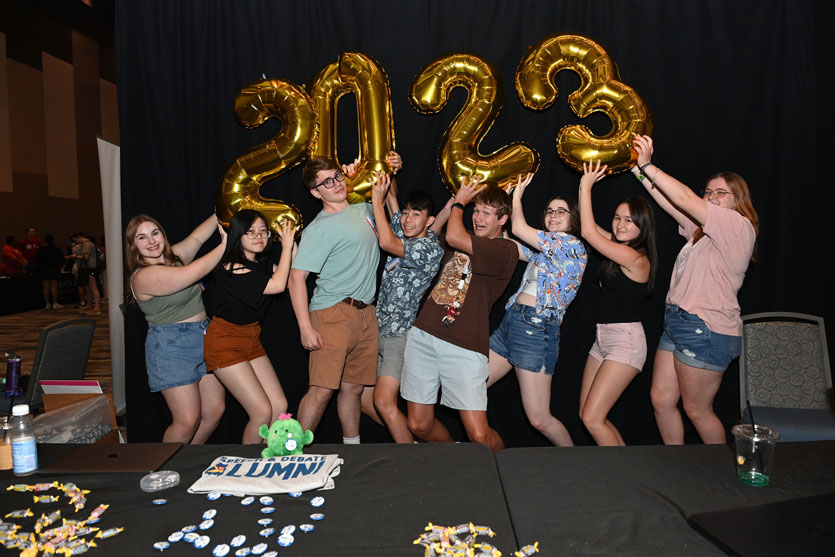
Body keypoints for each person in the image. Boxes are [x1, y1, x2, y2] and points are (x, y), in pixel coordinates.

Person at [632, 135, 758, 445]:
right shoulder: (701, 231)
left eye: (721, 193)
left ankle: (720, 476)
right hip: (678, 323)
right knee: (662, 400)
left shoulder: (737, 225)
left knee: (697, 409)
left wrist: (649, 164)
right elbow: (672, 203)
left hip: (707, 328)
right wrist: (638, 171)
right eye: (708, 192)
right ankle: (678, 466)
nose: (712, 197)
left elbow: (686, 198)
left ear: (737, 199)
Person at [401, 177, 518, 454]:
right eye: (476, 210)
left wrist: (461, 202)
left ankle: (506, 471)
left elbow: (453, 236)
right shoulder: (461, 234)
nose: (477, 217)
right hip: (424, 335)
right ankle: (458, 456)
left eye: (485, 213)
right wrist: (455, 204)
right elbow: (432, 233)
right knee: (418, 425)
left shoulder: (506, 250)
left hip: (465, 346)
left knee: (478, 433)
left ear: (502, 219)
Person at [487, 173, 587, 447]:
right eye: (550, 211)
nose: (554, 215)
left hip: (536, 328)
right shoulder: (546, 251)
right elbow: (515, 244)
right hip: (512, 324)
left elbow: (520, 230)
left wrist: (516, 197)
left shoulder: (570, 245)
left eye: (561, 211)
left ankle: (575, 464)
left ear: (573, 219)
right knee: (471, 385)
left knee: (540, 419)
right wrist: (498, 217)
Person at [288, 156, 381, 444]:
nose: (335, 184)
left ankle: (351, 450)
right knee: (321, 389)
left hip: (366, 314)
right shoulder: (319, 228)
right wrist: (305, 327)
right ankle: (290, 456)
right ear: (316, 193)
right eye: (326, 182)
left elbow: (387, 198)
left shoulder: (363, 208)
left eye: (337, 176)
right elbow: (295, 279)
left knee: (353, 389)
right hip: (332, 314)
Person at [126, 213, 227, 444]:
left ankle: (186, 459)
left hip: (204, 336)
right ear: (133, 246)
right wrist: (225, 245)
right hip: (171, 348)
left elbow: (197, 238)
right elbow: (193, 273)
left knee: (214, 411)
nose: (151, 241)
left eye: (155, 233)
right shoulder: (143, 277)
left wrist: (220, 211)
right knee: (187, 420)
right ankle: (165, 470)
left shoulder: (175, 257)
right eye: (142, 238)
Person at [578, 160, 657, 446]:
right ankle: (624, 466)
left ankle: (622, 477)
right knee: (588, 414)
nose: (620, 224)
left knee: (592, 418)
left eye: (629, 220)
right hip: (603, 340)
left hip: (625, 342)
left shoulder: (637, 258)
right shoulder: (621, 248)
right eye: (617, 217)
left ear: (642, 226)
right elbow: (591, 229)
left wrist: (585, 187)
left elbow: (588, 233)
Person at [368, 170, 448, 443]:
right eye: (406, 213)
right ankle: (410, 445)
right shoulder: (404, 231)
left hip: (399, 334)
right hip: (377, 330)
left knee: (383, 401)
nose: (407, 219)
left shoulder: (429, 248)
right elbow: (392, 197)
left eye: (416, 214)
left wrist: (375, 201)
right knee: (364, 400)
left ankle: (410, 458)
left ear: (430, 221)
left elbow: (386, 241)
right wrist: (391, 170)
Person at [204, 209, 296, 444]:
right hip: (225, 342)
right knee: (261, 412)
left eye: (264, 231)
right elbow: (277, 286)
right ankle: (246, 468)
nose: (259, 236)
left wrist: (292, 245)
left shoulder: (261, 266)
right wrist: (286, 248)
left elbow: (287, 274)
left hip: (251, 339)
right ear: (238, 235)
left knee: (279, 405)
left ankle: (268, 461)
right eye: (250, 231)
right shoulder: (232, 267)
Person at [35, 234, 67, 309]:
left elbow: (37, 260)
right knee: (54, 286)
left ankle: (47, 303)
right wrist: (58, 267)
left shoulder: (41, 249)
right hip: (54, 269)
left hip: (43, 270)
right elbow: (62, 260)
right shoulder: (56, 249)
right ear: (53, 241)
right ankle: (55, 303)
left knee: (45, 286)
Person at [72, 232, 101, 315]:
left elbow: (86, 257)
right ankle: (89, 305)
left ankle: (97, 308)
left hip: (90, 268)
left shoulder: (87, 244)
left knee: (93, 288)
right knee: (88, 288)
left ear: (79, 237)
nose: (76, 242)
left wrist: (75, 256)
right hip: (88, 268)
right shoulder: (89, 244)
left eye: (76, 240)